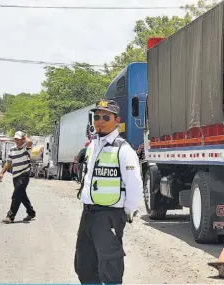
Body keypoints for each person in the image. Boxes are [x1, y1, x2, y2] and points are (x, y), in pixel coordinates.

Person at [75, 99, 142, 285]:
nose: (100, 121)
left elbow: (134, 183)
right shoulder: (92, 145)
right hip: (88, 213)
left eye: (106, 117)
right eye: (97, 116)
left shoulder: (123, 149)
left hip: (109, 215)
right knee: (84, 265)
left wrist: (127, 212)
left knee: (110, 267)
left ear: (117, 120)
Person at [0, 131, 36, 223]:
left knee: (16, 195)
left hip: (24, 175)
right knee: (21, 196)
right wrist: (2, 173)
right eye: (15, 138)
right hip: (15, 176)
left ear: (22, 139)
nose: (16, 140)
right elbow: (8, 162)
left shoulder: (26, 148)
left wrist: (25, 136)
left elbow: (30, 142)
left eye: (18, 139)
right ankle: (31, 212)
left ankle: (10, 216)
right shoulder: (12, 149)